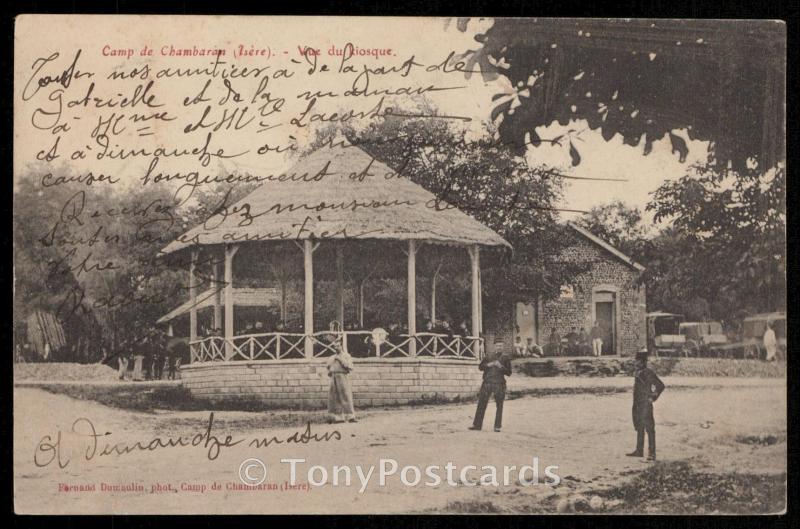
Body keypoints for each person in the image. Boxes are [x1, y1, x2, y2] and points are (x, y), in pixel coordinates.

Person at [627, 350, 665, 461]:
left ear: (643, 362)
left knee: (649, 428)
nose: (636, 363)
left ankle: (652, 453)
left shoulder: (648, 373)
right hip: (638, 404)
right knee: (640, 427)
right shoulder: (638, 372)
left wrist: (652, 397)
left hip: (646, 405)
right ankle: (639, 450)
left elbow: (660, 385)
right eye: (636, 361)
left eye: (638, 361)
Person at [469, 350, 512, 432]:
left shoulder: (505, 358)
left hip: (499, 384)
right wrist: (489, 364)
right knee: (481, 403)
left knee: (499, 405)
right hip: (487, 383)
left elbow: (509, 373)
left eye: (501, 345)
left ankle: (497, 426)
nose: (499, 347)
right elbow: (480, 367)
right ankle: (477, 425)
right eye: (497, 345)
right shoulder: (488, 356)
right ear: (494, 346)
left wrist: (501, 367)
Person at [327, 339, 357, 423]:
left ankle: (350, 416)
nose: (336, 348)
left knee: (346, 395)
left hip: (343, 376)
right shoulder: (332, 357)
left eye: (338, 346)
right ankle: (338, 417)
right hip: (334, 377)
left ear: (341, 346)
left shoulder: (346, 356)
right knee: (334, 397)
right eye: (334, 346)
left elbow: (350, 366)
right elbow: (328, 367)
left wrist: (340, 360)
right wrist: (330, 371)